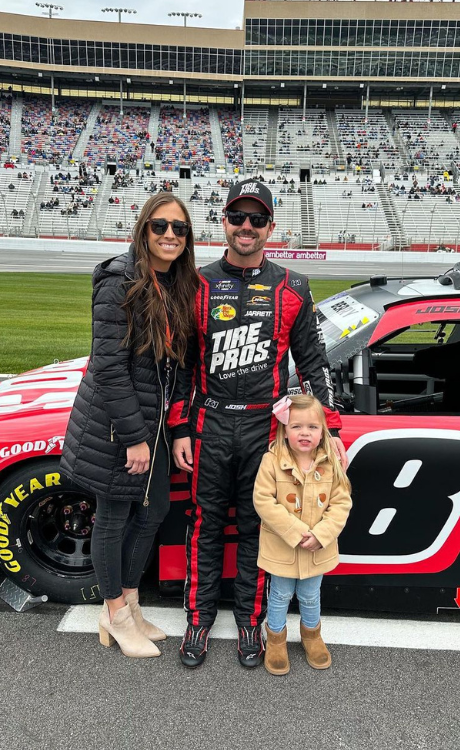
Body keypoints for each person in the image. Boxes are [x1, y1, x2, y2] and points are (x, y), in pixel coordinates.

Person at [171, 178, 347, 669]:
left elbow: (313, 364)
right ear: (224, 222)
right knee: (204, 526)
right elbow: (183, 366)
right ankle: (198, 620)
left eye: (257, 219)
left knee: (257, 529)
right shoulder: (198, 284)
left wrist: (330, 431)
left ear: (271, 227)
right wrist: (180, 428)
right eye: (238, 217)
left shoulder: (293, 287)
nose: (246, 227)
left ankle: (252, 622)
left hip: (265, 431)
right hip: (208, 424)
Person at [60, 193, 199, 658]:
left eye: (179, 229)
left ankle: (130, 605)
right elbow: (109, 366)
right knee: (115, 517)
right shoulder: (119, 279)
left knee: (154, 509)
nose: (169, 236)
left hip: (154, 426)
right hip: (117, 428)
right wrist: (135, 437)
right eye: (160, 226)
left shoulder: (179, 285)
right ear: (144, 228)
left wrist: (177, 428)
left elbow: (178, 368)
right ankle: (115, 613)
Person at [253, 394, 352, 675]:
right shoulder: (272, 461)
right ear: (285, 430)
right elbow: (263, 500)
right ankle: (275, 638)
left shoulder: (330, 463)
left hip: (317, 549)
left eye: (312, 427)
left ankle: (312, 636)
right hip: (281, 547)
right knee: (280, 595)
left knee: (310, 595)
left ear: (323, 431)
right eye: (296, 427)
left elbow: (341, 502)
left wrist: (322, 534)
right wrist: (296, 532)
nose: (305, 433)